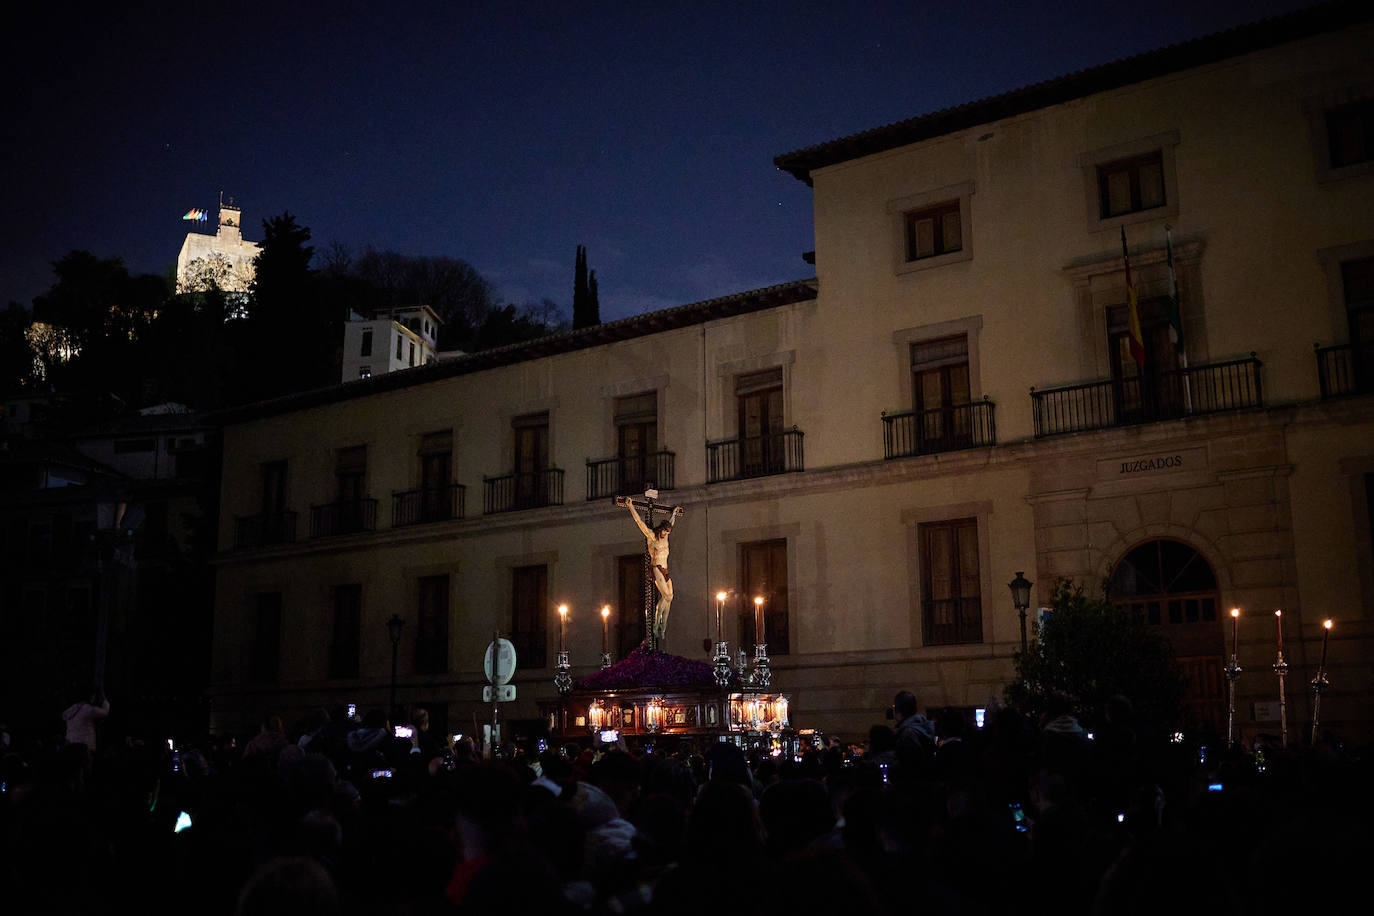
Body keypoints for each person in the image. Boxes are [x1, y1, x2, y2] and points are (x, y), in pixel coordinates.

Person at [617, 498, 683, 645]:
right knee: (666, 595)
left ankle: (662, 626)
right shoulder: (652, 536)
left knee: (670, 597)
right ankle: (656, 622)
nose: (667, 534)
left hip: (665, 569)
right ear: (662, 530)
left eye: (668, 532)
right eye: (665, 532)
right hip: (656, 568)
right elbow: (639, 522)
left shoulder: (666, 536)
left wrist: (674, 514)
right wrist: (630, 506)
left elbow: (672, 522)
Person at [62, 687, 109, 751]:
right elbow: (105, 712)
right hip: (85, 744)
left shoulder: (72, 709)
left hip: (71, 743)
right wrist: (105, 699)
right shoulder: (88, 709)